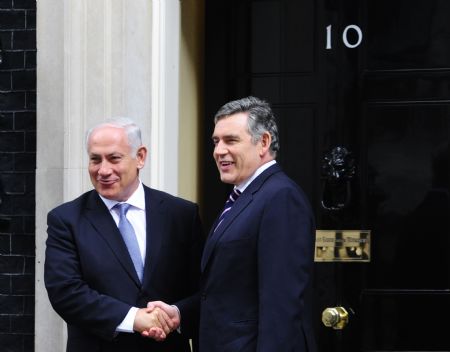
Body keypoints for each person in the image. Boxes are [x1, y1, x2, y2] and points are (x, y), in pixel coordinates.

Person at [44, 117, 204, 352]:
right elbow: (66, 292)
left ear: (140, 157)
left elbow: (204, 291)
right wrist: (133, 318)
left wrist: (177, 315)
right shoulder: (66, 220)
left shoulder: (181, 215)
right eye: (95, 160)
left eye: (114, 158)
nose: (103, 170)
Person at [200, 96, 317, 351]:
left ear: (263, 142)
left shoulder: (280, 198)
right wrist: (179, 312)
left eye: (231, 140)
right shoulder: (245, 196)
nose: (219, 151)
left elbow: (281, 306)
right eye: (216, 141)